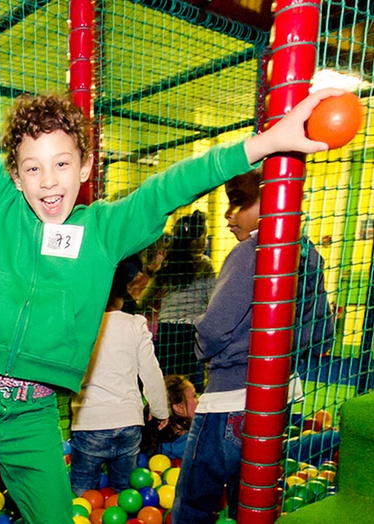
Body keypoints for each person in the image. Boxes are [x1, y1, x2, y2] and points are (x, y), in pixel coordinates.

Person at [0, 0, 340, 520]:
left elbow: (167, 188)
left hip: (34, 416)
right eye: (32, 168)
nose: (48, 180)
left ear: (86, 167)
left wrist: (266, 143)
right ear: (14, 176)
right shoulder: (1, 209)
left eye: (61, 164)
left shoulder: (100, 232)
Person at [171, 168, 335, 523]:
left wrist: (207, 346)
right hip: (277, 399)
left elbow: (215, 328)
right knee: (253, 498)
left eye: (238, 203)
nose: (229, 215)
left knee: (194, 500)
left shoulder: (251, 252)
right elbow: (321, 332)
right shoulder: (306, 253)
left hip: (229, 402)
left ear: (273, 202)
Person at [69, 266, 170, 495]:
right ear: (120, 296)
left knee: (82, 493)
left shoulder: (80, 327)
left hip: (90, 423)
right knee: (124, 494)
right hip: (128, 423)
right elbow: (151, 372)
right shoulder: (135, 324)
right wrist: (160, 410)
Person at [139, 210, 215, 389]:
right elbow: (212, 298)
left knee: (169, 381)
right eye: (203, 236)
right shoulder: (204, 264)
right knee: (190, 382)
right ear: (196, 241)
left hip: (167, 331)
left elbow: (144, 299)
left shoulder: (168, 264)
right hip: (190, 330)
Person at [141, 374, 198, 460]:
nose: (199, 400)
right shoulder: (197, 442)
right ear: (179, 408)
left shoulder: (147, 440)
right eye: (194, 396)